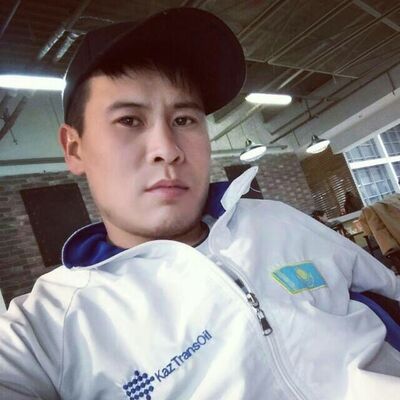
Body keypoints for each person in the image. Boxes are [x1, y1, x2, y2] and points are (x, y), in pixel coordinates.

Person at [0, 7, 400, 400]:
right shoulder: (49, 327)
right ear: (74, 148)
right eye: (129, 120)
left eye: (184, 120)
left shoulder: (278, 222)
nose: (167, 149)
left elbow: (391, 295)